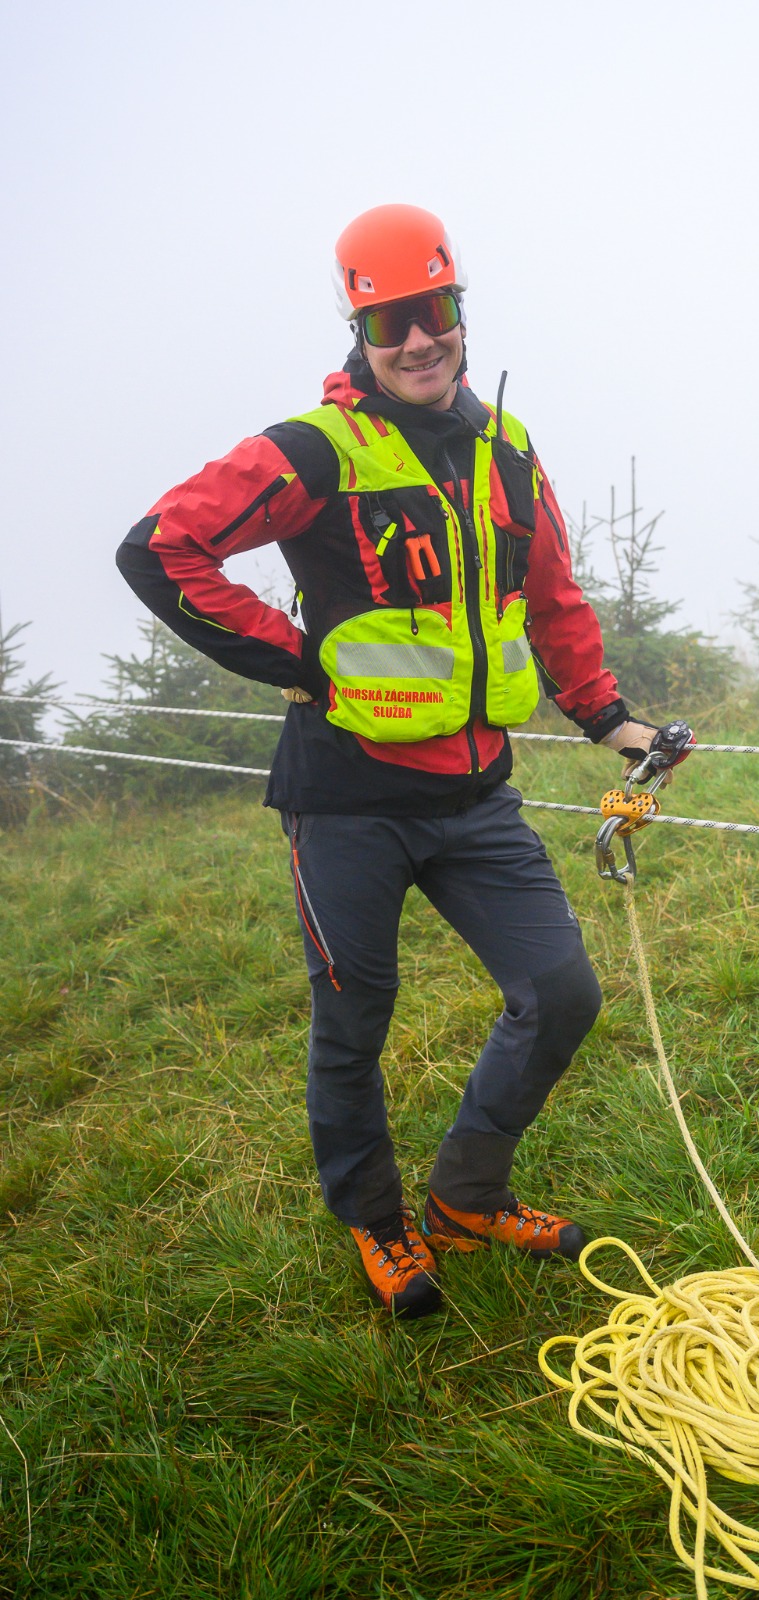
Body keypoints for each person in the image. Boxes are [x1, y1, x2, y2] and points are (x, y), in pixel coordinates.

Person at [117, 203, 686, 1318]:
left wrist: (608, 719)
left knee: (560, 992)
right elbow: (162, 545)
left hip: (477, 798)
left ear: (460, 310)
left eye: (434, 312)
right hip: (345, 802)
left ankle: (467, 1197)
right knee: (355, 1020)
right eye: (390, 324)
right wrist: (296, 660)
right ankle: (377, 1221)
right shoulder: (314, 450)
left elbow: (551, 596)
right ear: (358, 332)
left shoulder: (507, 449)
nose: (418, 341)